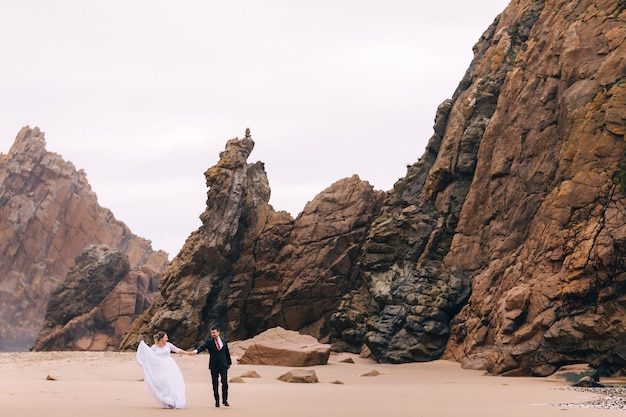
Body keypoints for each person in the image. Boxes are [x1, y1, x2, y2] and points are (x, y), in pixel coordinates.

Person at [136, 331, 192, 409]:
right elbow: (149, 356)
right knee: (162, 384)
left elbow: (177, 350)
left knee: (170, 383)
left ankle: (173, 400)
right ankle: (165, 401)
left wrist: (187, 353)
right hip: (159, 367)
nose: (167, 338)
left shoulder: (168, 345)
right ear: (161, 338)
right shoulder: (154, 347)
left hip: (169, 366)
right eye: (166, 337)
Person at [192, 326, 232, 407]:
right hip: (214, 365)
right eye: (211, 333)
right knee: (215, 384)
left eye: (214, 332)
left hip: (223, 365)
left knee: (224, 383)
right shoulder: (209, 342)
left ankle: (225, 400)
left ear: (218, 332)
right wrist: (195, 351)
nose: (212, 334)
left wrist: (229, 363)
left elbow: (227, 353)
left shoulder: (224, 341)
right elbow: (202, 347)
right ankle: (217, 401)